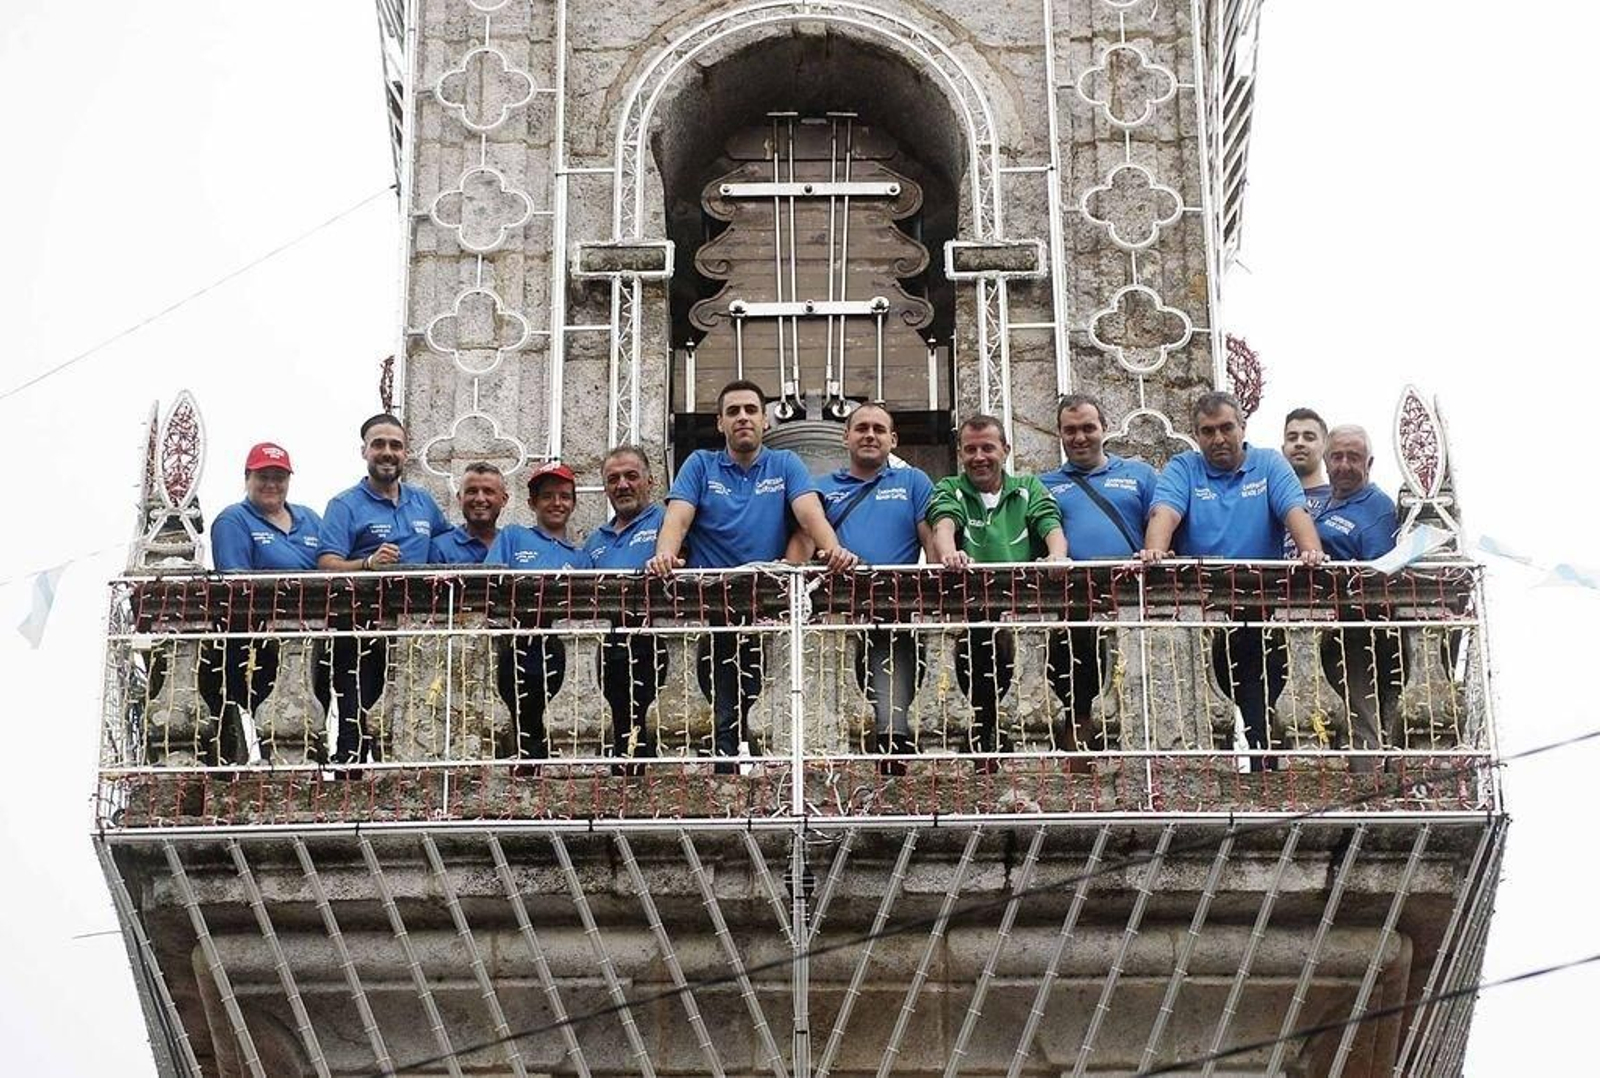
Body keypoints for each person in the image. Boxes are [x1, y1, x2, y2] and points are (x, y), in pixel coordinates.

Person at [647, 379, 858, 771]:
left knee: (768, 705)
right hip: (714, 610)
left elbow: (810, 514)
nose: (742, 417)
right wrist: (664, 556)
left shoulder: (785, 464)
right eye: (733, 411)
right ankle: (726, 785)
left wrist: (832, 551)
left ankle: (769, 785)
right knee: (722, 709)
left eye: (750, 410)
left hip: (767, 609)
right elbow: (677, 520)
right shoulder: (700, 465)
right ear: (720, 423)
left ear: (764, 420)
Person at [1142, 391, 1325, 772]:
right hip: (1203, 618)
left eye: (1227, 428)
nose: (1219, 438)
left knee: (1262, 709)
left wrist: (1311, 551)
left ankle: (1267, 781)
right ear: (1196, 435)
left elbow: (1295, 510)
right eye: (1207, 431)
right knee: (1207, 712)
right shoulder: (1183, 468)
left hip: (1260, 615)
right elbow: (1164, 513)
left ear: (1242, 427)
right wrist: (1154, 551)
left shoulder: (1269, 464)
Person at [787, 402, 936, 772]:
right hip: (836, 621)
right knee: (837, 719)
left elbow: (931, 542)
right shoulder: (821, 489)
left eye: (879, 430)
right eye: (861, 428)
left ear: (893, 440)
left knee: (891, 719)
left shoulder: (913, 482)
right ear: (846, 437)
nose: (870, 435)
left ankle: (893, 791)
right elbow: (802, 546)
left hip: (893, 616)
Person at [928, 414, 1067, 764]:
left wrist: (1057, 556)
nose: (979, 457)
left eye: (987, 448)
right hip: (971, 618)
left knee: (1022, 696)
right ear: (960, 453)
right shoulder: (950, 488)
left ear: (1005, 450)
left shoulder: (1028, 487)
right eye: (970, 449)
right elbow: (943, 525)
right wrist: (950, 554)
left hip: (1023, 617)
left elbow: (1049, 523)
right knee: (975, 699)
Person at [317, 413, 452, 765]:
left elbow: (450, 545)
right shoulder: (343, 505)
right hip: (359, 634)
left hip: (417, 636)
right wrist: (367, 564)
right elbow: (326, 565)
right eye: (379, 444)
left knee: (413, 726)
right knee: (354, 726)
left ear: (406, 453)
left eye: (395, 445)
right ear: (364, 451)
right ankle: (348, 800)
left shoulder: (423, 502)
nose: (387, 452)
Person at [1039, 394, 1157, 760]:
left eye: (1088, 428)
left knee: (1136, 694)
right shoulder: (1042, 484)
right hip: (1073, 610)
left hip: (1131, 607)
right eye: (1070, 430)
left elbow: (1162, 529)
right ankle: (1080, 779)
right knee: (1078, 696)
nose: (1080, 437)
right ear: (1059, 434)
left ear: (1105, 429)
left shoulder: (1141, 475)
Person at [206, 442, 327, 761]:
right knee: (263, 713)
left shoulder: (310, 519)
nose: (272, 484)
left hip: (312, 636)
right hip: (257, 640)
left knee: (316, 710)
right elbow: (237, 585)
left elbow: (329, 565)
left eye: (279, 476)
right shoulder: (233, 520)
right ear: (247, 478)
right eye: (263, 476)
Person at [486, 461, 594, 761]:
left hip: (561, 652)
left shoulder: (582, 558)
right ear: (533, 502)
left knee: (554, 723)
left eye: (564, 496)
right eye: (547, 496)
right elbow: (489, 586)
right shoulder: (513, 536)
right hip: (517, 648)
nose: (556, 503)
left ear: (573, 503)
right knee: (518, 723)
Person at [1315, 424, 1401, 771]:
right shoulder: (1322, 500)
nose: (1345, 465)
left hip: (1360, 630)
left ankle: (1367, 787)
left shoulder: (1376, 508)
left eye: (1354, 457)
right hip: (1323, 627)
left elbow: (1380, 576)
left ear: (1370, 462)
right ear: (1326, 459)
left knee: (1361, 711)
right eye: (1337, 456)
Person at [583, 445, 670, 769]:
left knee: (656, 729)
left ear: (650, 481)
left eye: (631, 476)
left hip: (657, 648)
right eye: (613, 479)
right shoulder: (595, 542)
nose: (622, 485)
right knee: (621, 731)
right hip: (611, 652)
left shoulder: (667, 522)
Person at [429, 462, 510, 564]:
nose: (480, 499)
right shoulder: (440, 548)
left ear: (504, 500)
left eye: (488, 491)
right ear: (459, 498)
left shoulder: (513, 546)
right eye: (472, 491)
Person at [1282, 407, 1332, 556]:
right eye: (1292, 438)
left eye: (1309, 437)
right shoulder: (1268, 497)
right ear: (1283, 448)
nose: (1299, 443)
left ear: (1325, 446)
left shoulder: (1337, 499)